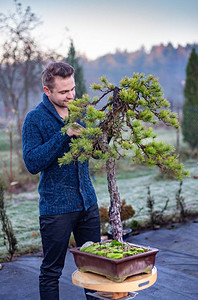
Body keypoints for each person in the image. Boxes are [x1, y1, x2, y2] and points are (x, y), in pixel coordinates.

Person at [22, 62, 101, 300]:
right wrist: (63, 134)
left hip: (88, 203)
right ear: (47, 91)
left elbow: (96, 152)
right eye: (64, 92)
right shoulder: (34, 119)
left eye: (73, 89)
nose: (71, 95)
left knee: (96, 270)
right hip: (56, 209)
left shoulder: (82, 112)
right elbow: (33, 163)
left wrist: (100, 138)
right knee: (51, 272)